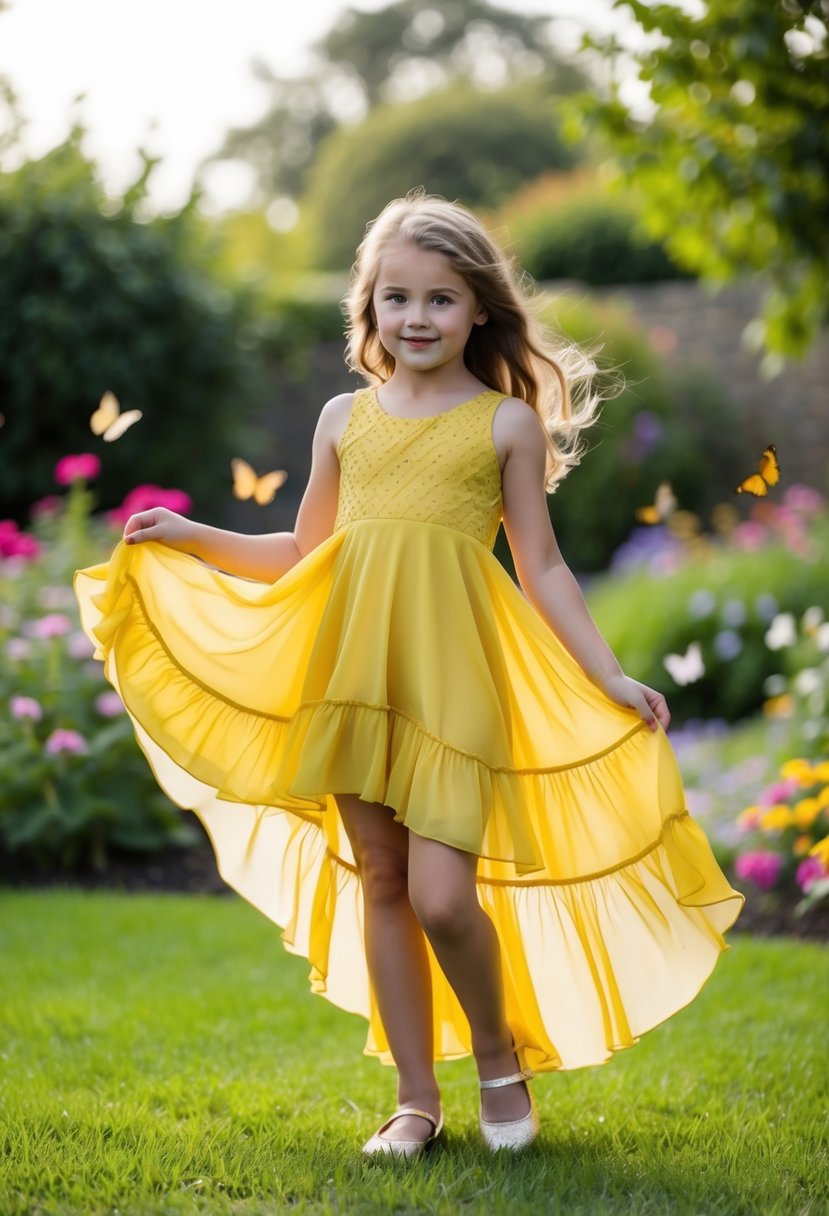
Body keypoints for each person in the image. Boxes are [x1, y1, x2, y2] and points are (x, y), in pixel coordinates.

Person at [75, 189, 743, 1160]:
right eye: (396, 298)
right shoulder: (344, 419)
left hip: (454, 682)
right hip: (351, 673)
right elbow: (307, 550)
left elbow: (543, 566)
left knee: (441, 894)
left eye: (438, 298)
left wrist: (606, 673)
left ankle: (498, 1055)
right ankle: (414, 1100)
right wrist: (193, 535)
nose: (416, 318)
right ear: (369, 309)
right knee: (381, 879)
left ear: (479, 309)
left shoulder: (505, 425)